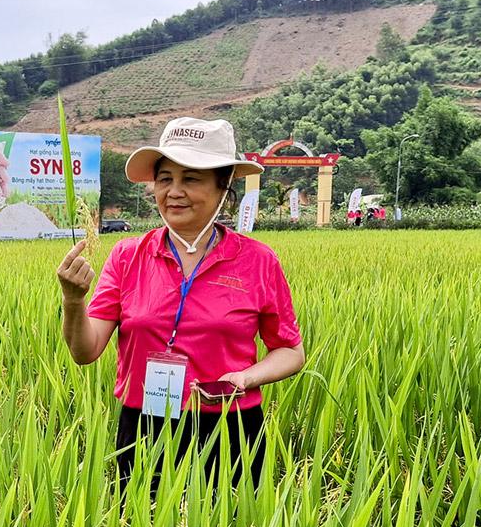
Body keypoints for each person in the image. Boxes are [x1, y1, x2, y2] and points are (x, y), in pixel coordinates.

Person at [56, 117, 306, 494]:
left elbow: (290, 350)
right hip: (145, 425)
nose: (174, 191)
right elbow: (85, 351)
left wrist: (246, 378)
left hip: (230, 426)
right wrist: (73, 301)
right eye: (165, 178)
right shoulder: (128, 256)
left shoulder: (258, 260)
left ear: (224, 186)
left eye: (190, 179)